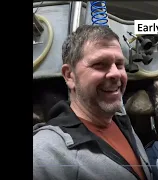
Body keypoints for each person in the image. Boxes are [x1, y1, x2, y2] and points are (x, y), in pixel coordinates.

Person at [33, 25, 152, 180]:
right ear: (70, 76)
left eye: (119, 64)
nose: (116, 73)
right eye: (100, 64)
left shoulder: (121, 121)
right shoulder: (45, 151)